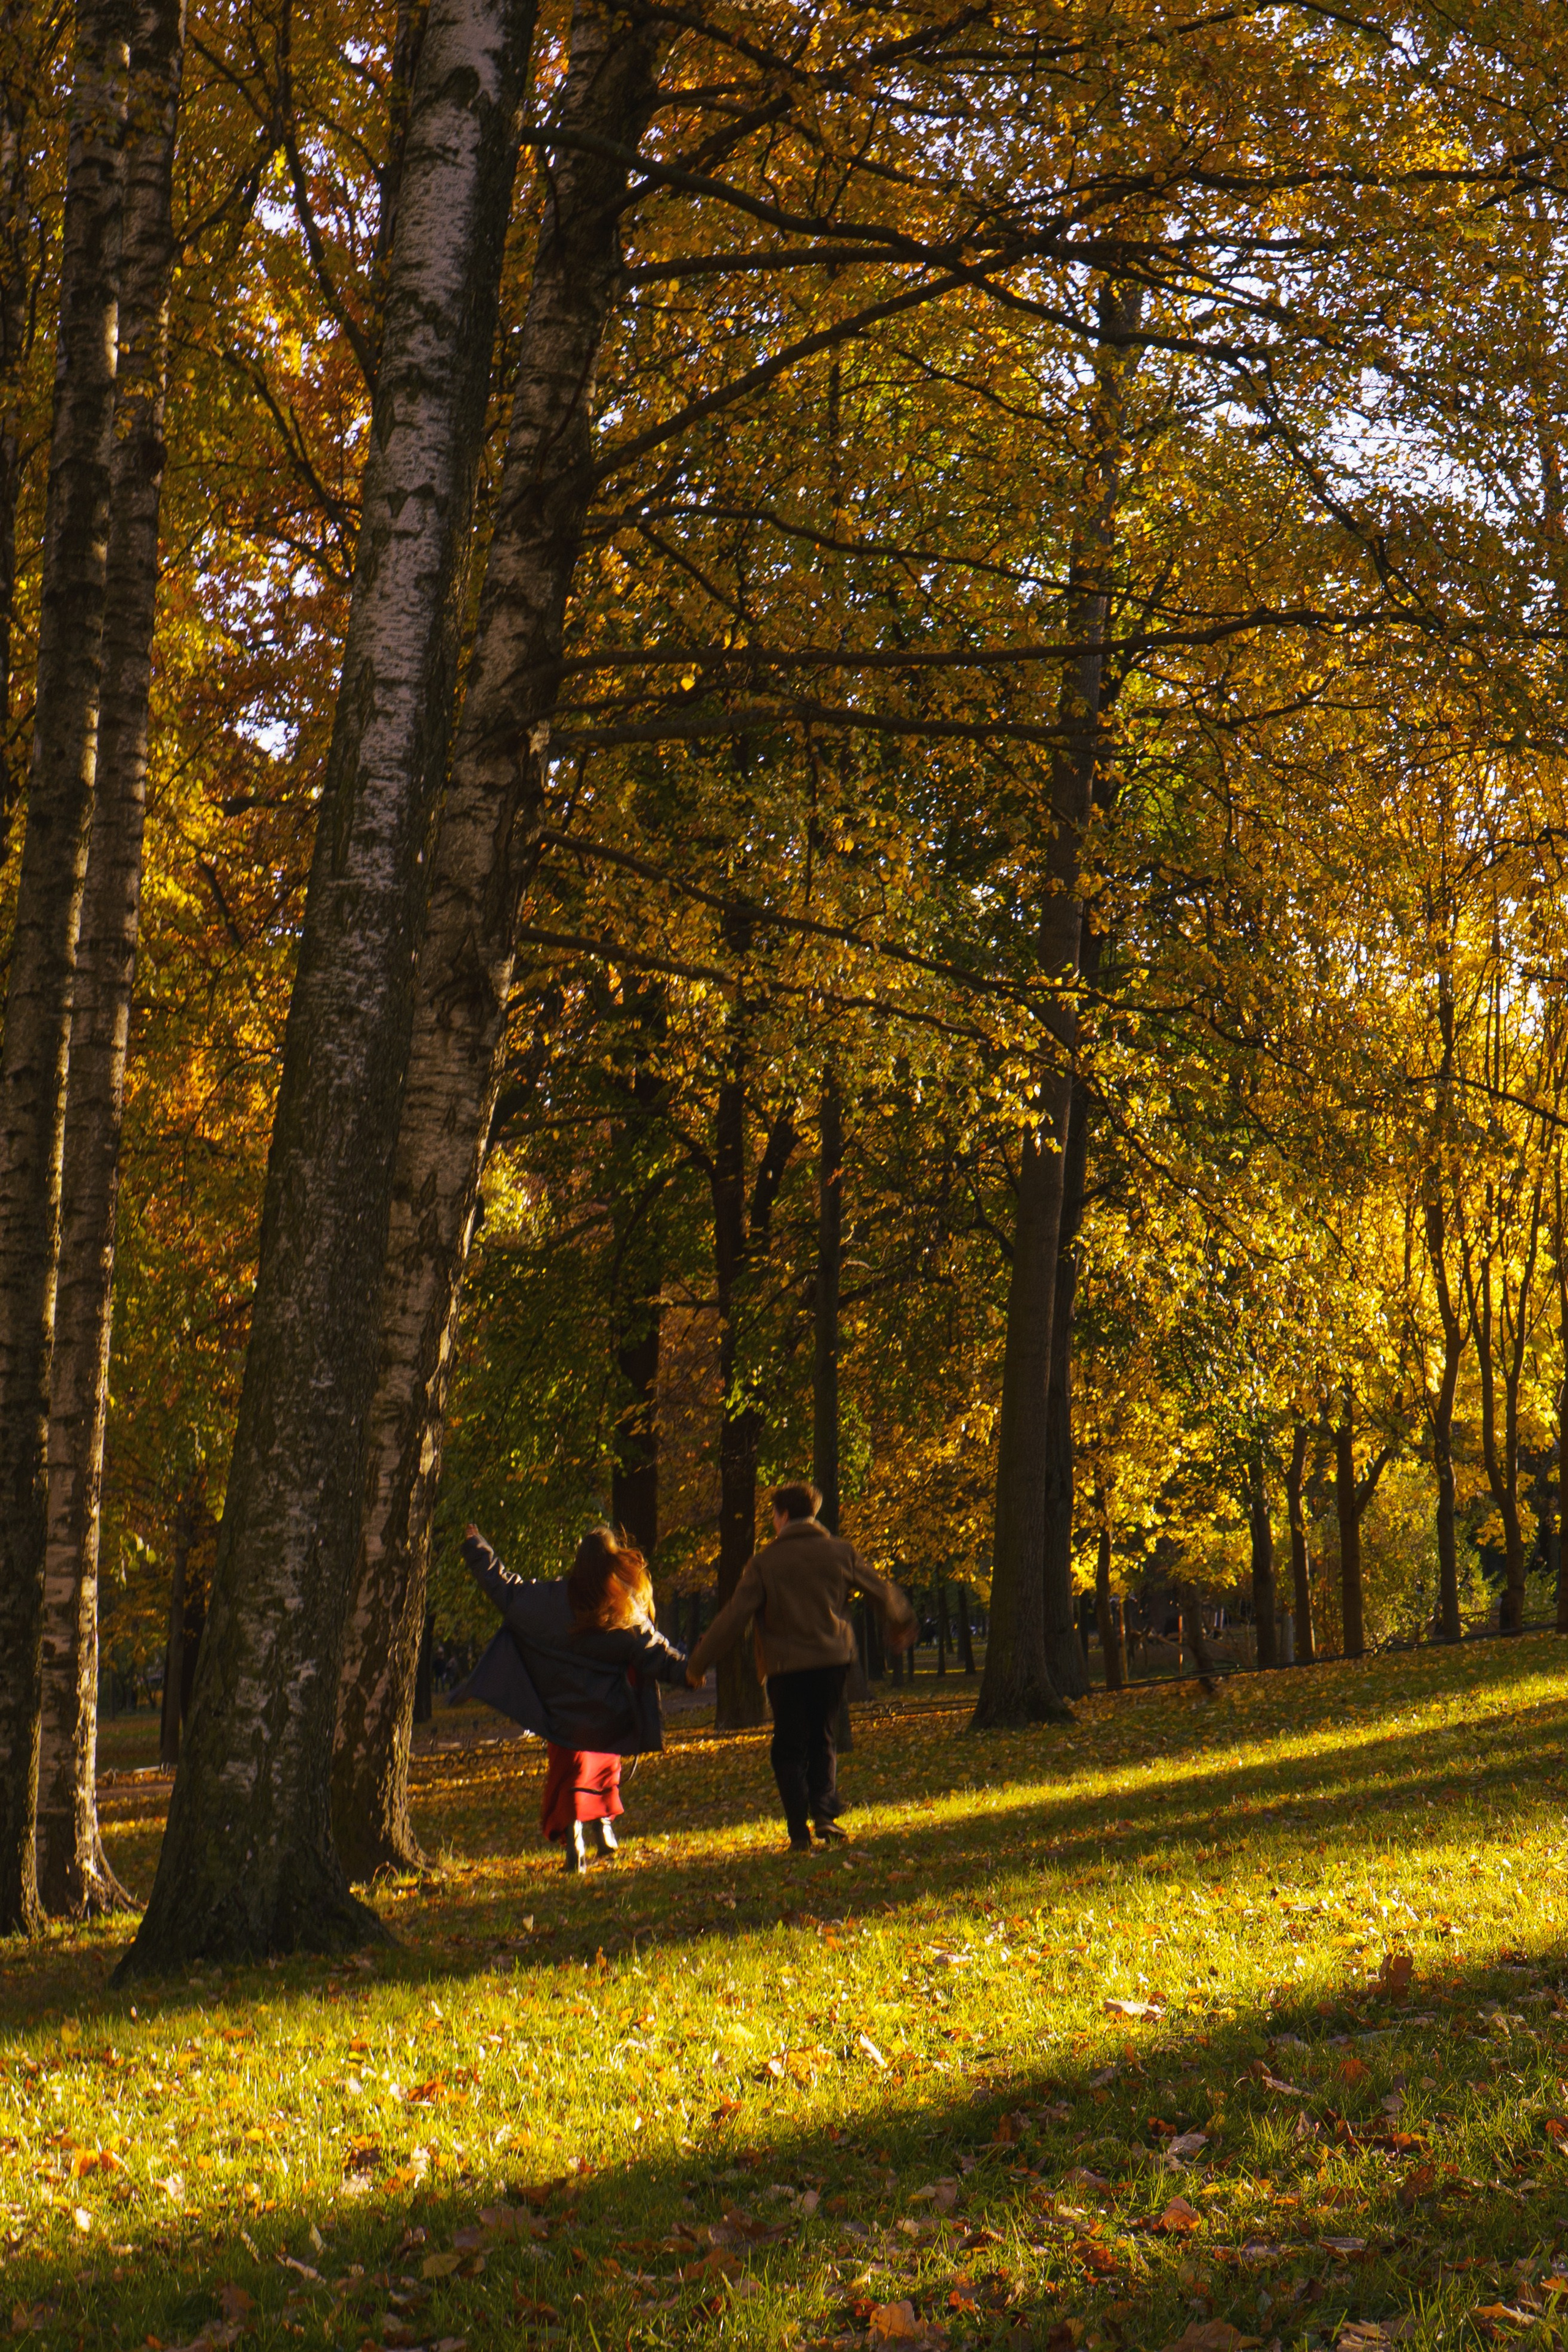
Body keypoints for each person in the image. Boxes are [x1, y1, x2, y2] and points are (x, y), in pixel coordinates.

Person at [684, 1483, 915, 1852]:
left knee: (788, 1747)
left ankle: (798, 1831)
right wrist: (902, 1621)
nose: (773, 1523)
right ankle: (824, 1813)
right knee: (823, 1735)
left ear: (784, 1516)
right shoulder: (840, 1552)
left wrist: (697, 1665)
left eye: (774, 1516)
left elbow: (733, 1617)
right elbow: (882, 1591)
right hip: (832, 1661)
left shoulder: (765, 1562)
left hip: (786, 1667)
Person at [453, 1522, 688, 1871]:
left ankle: (576, 1839)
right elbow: (655, 1652)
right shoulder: (623, 1612)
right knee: (602, 1767)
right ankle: (603, 1828)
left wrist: (477, 1546)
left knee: (568, 1774)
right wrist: (689, 1671)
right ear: (612, 1565)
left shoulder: (547, 1600)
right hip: (607, 1718)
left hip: (561, 1716)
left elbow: (504, 1588)